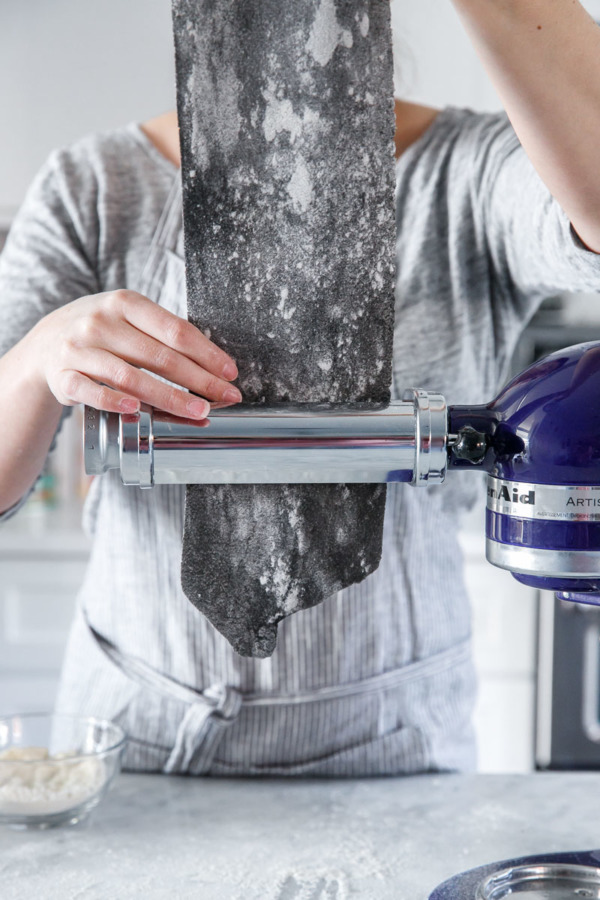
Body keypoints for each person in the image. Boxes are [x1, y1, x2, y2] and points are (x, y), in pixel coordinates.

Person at [1, 0, 600, 776]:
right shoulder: (95, 188)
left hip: (396, 751)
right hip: (138, 749)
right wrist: (40, 356)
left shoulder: (469, 172)